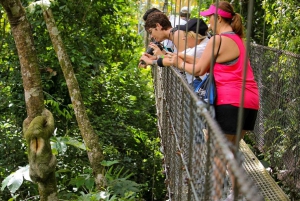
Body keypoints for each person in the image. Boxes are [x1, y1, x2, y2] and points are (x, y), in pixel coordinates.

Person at [171, 2, 259, 145]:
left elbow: (199, 69)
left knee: (218, 157)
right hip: (250, 101)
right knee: (231, 154)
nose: (208, 21)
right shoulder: (239, 40)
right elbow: (207, 62)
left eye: (210, 17)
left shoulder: (217, 40)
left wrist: (178, 63)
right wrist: (182, 58)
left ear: (218, 18)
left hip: (230, 102)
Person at [139, 18, 209, 88]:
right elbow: (173, 56)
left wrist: (151, 61)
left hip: (200, 83)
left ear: (194, 35)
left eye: (185, 35)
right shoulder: (197, 47)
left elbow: (173, 60)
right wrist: (157, 57)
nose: (183, 38)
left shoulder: (199, 48)